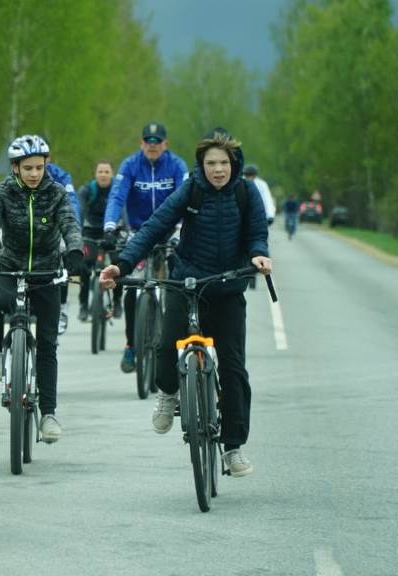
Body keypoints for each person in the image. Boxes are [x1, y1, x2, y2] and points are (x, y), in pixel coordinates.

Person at [99, 127, 272, 477]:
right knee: (165, 345)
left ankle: (233, 449)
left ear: (233, 163)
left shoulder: (246, 192)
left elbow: (256, 233)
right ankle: (167, 394)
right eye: (211, 163)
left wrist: (258, 256)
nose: (218, 169)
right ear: (201, 164)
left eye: (224, 162)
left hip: (226, 288)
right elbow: (155, 227)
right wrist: (123, 264)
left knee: (234, 370)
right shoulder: (191, 188)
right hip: (187, 281)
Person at [0, 135, 85, 441]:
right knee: (0, 299)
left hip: (47, 269)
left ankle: (49, 414)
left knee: (48, 344)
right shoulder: (2, 192)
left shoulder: (55, 193)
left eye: (39, 167)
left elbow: (69, 223)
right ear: (15, 167)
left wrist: (76, 251)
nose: (34, 173)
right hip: (11, 263)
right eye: (27, 167)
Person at [103, 122, 188, 374]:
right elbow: (117, 196)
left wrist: (181, 229)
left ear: (165, 144)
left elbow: (186, 196)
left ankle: (175, 342)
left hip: (168, 231)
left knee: (176, 284)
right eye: (148, 141)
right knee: (132, 286)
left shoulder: (177, 166)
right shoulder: (130, 165)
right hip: (138, 232)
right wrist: (109, 226)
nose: (152, 146)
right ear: (141, 143)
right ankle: (131, 343)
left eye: (157, 141)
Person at [77, 159, 121, 321]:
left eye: (106, 172)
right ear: (95, 174)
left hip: (112, 231)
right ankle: (83, 305)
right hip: (90, 232)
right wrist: (77, 231)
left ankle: (117, 302)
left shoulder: (117, 190)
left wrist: (125, 229)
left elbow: (123, 211)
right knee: (85, 265)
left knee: (118, 263)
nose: (103, 175)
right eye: (100, 172)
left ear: (112, 174)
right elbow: (80, 212)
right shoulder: (87, 190)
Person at [45, 148, 80, 335]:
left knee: (63, 260)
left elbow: (72, 202)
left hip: (56, 227)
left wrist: (74, 233)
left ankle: (63, 306)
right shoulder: (17, 174)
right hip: (26, 231)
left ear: (48, 158)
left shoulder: (61, 177)